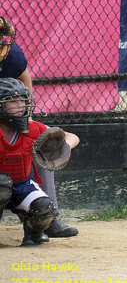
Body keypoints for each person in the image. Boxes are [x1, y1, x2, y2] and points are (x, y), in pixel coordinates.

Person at [0, 17, 78, 238]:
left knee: (37, 144)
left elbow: (23, 78)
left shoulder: (10, 56)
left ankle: (47, 217)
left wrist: (24, 116)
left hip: (3, 110)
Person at [0, 78, 80, 246]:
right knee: (2, 183)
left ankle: (33, 233)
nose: (20, 105)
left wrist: (62, 149)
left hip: (22, 184)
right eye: (13, 101)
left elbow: (72, 137)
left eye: (22, 99)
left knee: (43, 206)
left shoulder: (32, 128)